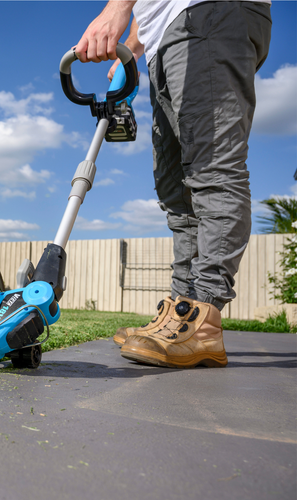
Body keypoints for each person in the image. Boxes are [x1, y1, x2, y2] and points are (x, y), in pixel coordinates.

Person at [75, 0, 272, 369]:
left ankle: (203, 315)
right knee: (175, 189)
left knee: (213, 169)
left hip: (208, 12)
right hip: (164, 34)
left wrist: (115, 9)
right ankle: (180, 312)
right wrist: (134, 45)